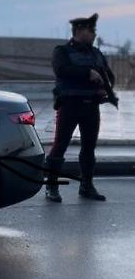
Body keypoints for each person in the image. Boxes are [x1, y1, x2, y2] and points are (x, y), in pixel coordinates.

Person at [44, 13, 116, 203]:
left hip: (91, 106)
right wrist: (87, 73)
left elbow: (109, 76)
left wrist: (106, 88)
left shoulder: (96, 54)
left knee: (89, 148)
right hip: (69, 105)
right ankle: (52, 186)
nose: (93, 34)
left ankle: (87, 186)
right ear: (79, 31)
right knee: (60, 146)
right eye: (90, 30)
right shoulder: (62, 51)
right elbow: (62, 70)